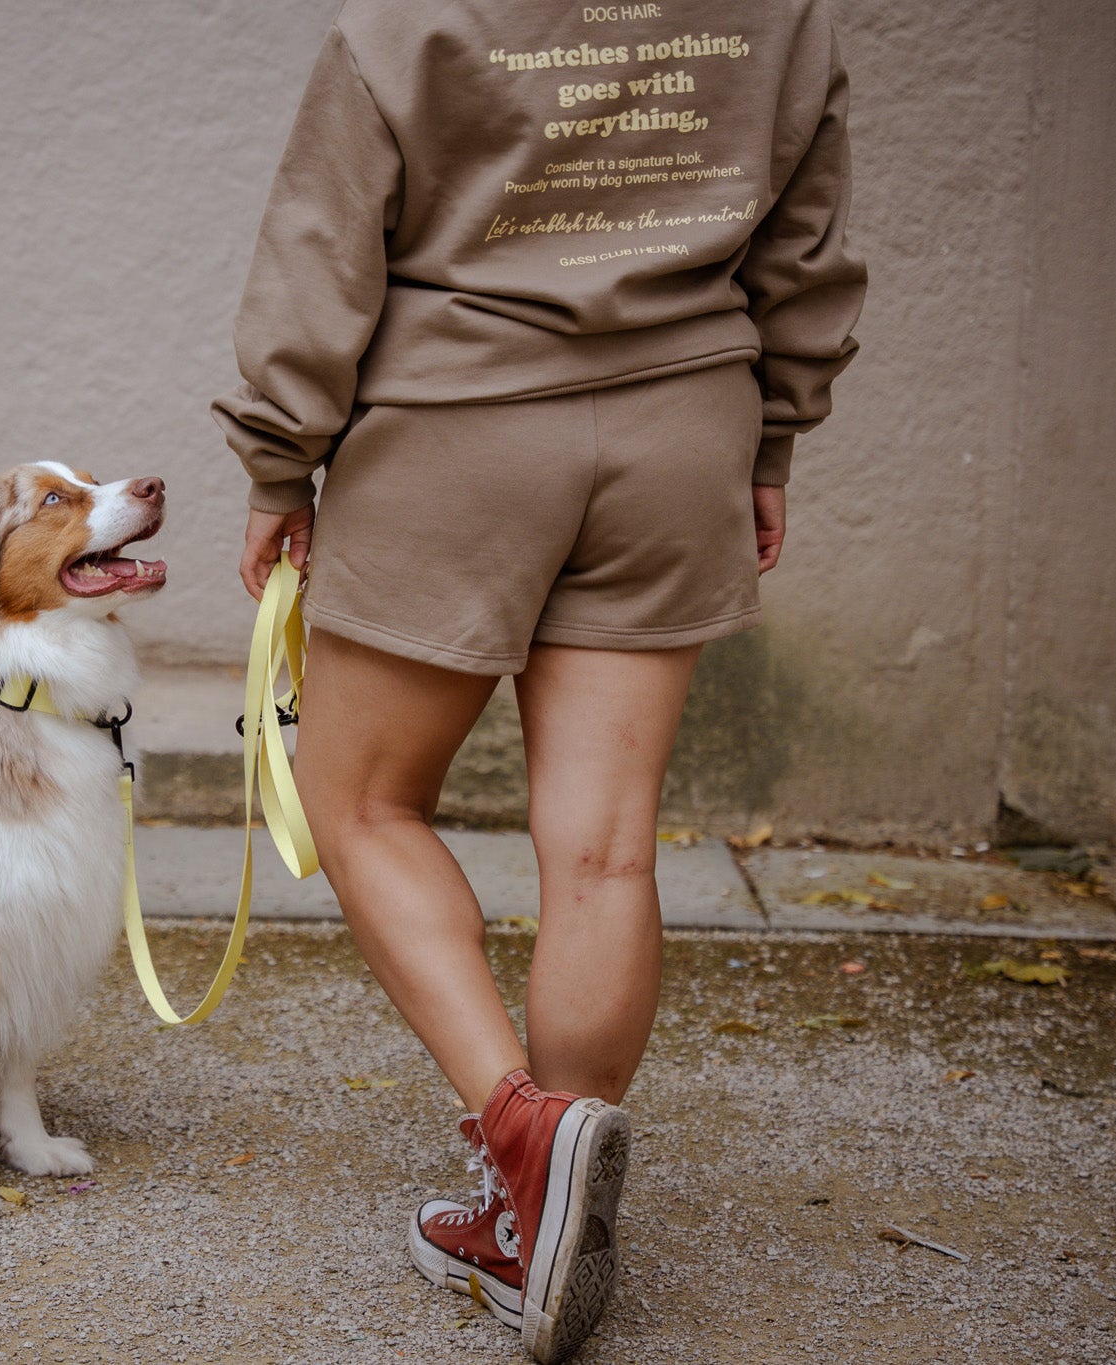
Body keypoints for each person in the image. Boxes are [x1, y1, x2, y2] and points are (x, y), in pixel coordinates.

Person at [211, 2, 865, 1359]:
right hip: (683, 424)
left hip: (456, 428)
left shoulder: (412, 14)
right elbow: (803, 246)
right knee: (606, 849)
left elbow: (321, 250)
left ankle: (523, 1134)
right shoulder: (775, 11)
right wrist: (774, 433)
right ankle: (541, 1216)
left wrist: (282, 462)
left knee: (362, 800)